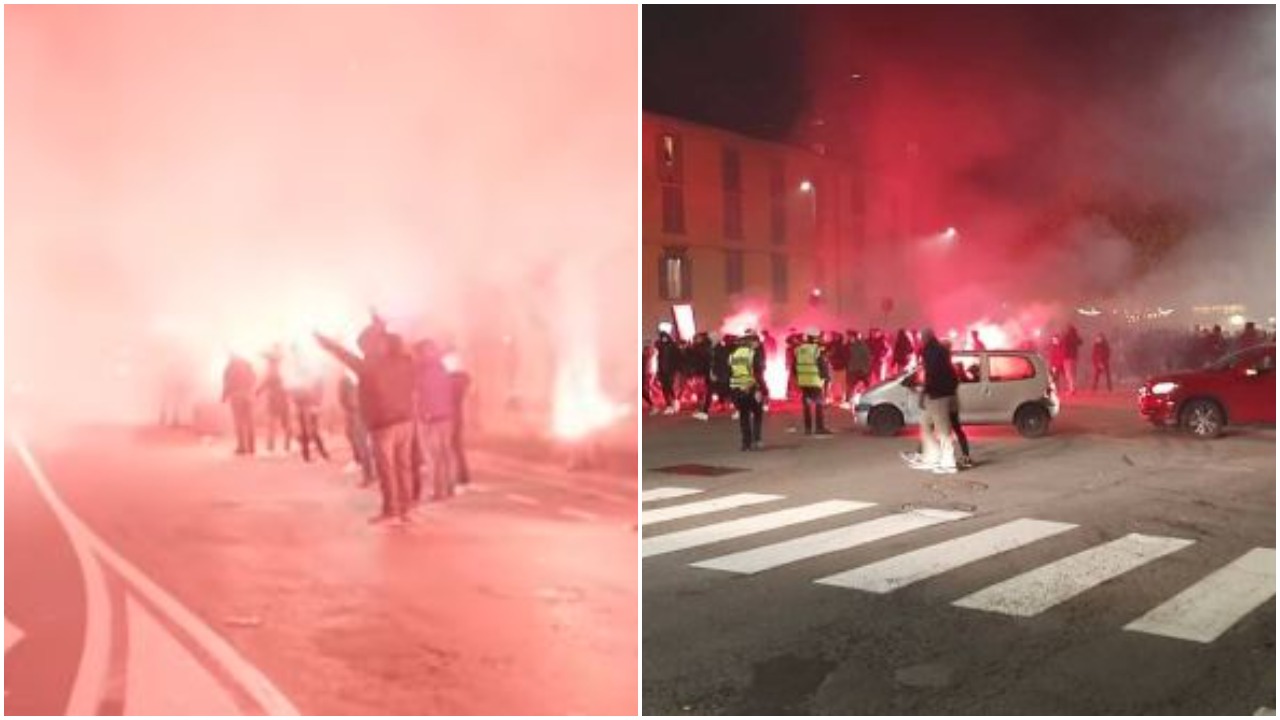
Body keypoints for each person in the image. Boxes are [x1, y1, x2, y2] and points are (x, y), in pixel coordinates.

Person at [315, 329, 416, 524]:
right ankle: (406, 509)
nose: (362, 350)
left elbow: (344, 355)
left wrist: (326, 342)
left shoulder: (369, 366)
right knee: (404, 467)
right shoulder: (405, 362)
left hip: (383, 423)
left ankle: (391, 511)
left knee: (387, 469)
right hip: (406, 421)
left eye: (363, 346)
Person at [903, 329, 958, 474]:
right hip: (936, 393)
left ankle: (949, 463)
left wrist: (924, 393)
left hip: (938, 394)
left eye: (921, 337)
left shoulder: (931, 351)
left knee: (943, 430)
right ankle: (932, 456)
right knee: (925, 424)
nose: (920, 340)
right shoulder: (936, 349)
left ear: (926, 338)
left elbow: (931, 374)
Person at [412, 339, 457, 503]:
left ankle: (440, 491)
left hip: (430, 417)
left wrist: (420, 414)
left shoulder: (420, 370)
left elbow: (417, 394)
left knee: (436, 455)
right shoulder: (442, 367)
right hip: (446, 415)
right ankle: (450, 487)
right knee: (446, 454)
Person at [728, 330, 766, 450]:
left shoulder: (732, 355)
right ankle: (757, 440)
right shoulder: (752, 354)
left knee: (744, 416)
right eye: (756, 342)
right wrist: (763, 389)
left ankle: (746, 443)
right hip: (751, 387)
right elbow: (757, 373)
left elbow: (730, 372)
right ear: (751, 343)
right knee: (757, 414)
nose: (757, 344)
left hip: (737, 389)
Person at [338, 371, 375, 486]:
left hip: (357, 412)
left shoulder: (347, 378)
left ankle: (368, 475)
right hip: (364, 410)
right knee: (366, 443)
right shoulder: (361, 372)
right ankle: (368, 471)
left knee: (363, 444)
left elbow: (343, 398)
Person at [795, 328, 832, 436]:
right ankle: (819, 427)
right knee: (819, 404)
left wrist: (798, 377)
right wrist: (826, 378)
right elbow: (822, 365)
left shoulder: (800, 349)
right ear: (816, 338)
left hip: (803, 382)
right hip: (815, 381)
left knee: (806, 406)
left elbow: (794, 366)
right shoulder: (817, 350)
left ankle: (808, 428)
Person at [221, 354, 257, 455]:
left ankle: (242, 447)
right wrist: (250, 391)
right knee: (250, 422)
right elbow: (254, 379)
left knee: (239, 422)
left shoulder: (230, 367)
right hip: (248, 396)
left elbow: (226, 382)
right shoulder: (248, 365)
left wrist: (224, 396)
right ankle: (252, 447)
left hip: (236, 396)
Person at [257, 351, 292, 453]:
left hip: (275, 401)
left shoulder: (272, 373)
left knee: (272, 423)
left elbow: (264, 384)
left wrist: (257, 392)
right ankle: (285, 444)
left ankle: (271, 445)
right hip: (282, 401)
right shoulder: (282, 373)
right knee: (283, 423)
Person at [292, 377, 330, 463]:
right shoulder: (303, 382)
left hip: (309, 409)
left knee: (311, 431)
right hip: (306, 409)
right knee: (308, 432)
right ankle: (311, 455)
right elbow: (297, 397)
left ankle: (316, 454)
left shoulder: (311, 380)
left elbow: (317, 395)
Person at [654, 323, 681, 414]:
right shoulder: (661, 347)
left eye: (664, 337)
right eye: (662, 337)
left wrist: (676, 369)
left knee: (669, 387)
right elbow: (659, 359)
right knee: (664, 388)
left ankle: (674, 402)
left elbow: (677, 358)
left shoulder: (672, 346)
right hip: (662, 370)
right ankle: (669, 405)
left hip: (670, 370)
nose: (663, 338)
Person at [688, 332, 714, 421]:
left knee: (706, 391)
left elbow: (707, 360)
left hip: (704, 372)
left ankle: (704, 411)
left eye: (697, 338)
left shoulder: (705, 347)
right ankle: (702, 410)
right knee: (701, 391)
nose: (696, 339)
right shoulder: (697, 347)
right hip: (700, 372)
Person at [1062, 324, 1082, 394]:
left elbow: (1064, 347)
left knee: (1069, 374)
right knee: (1073, 374)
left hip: (1067, 357)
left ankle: (1072, 389)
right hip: (1074, 357)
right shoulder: (1075, 336)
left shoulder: (1067, 336)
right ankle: (1073, 388)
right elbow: (1080, 342)